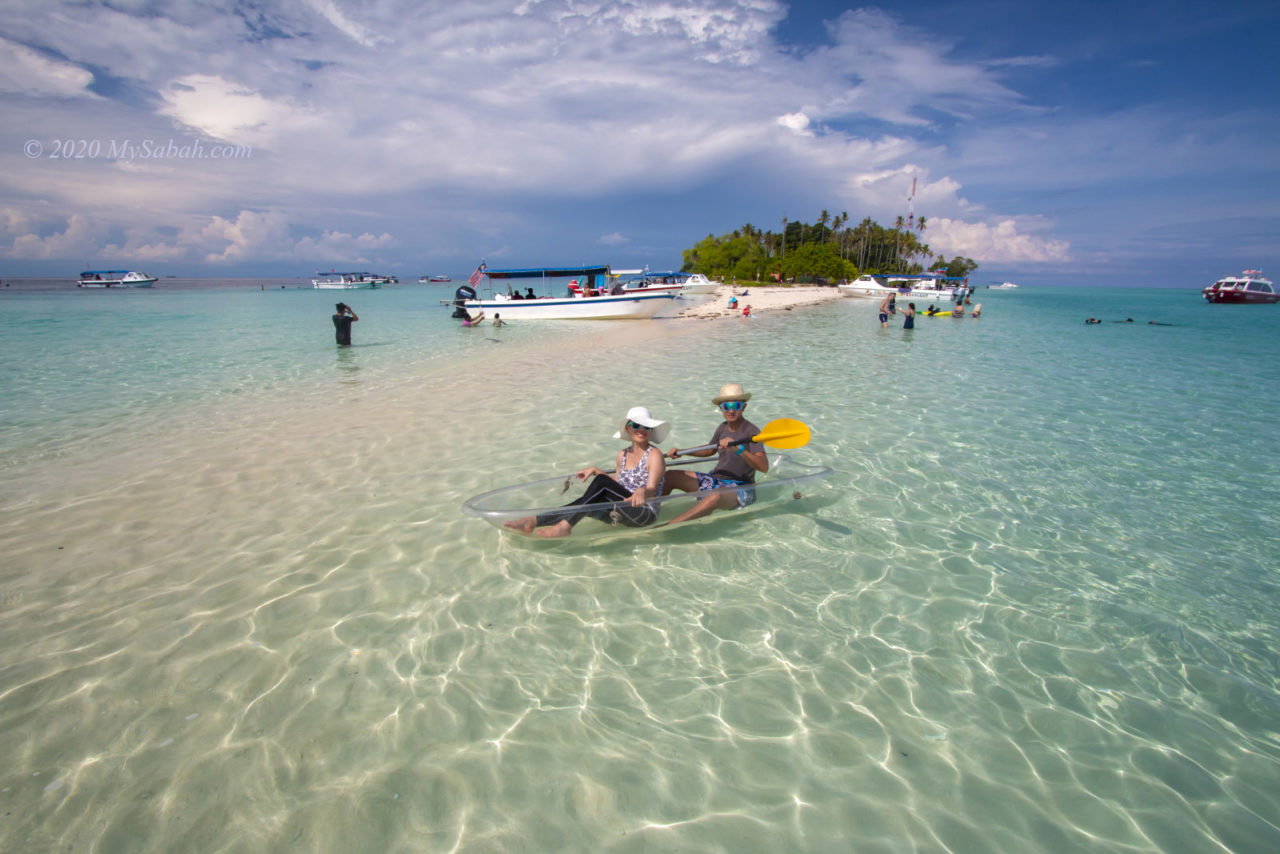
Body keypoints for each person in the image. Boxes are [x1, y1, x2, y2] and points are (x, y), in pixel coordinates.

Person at [504, 407, 669, 538]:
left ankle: (564, 526)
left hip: (643, 514)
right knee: (586, 500)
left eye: (646, 426)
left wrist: (642, 490)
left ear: (650, 430)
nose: (641, 430)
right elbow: (617, 487)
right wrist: (598, 472)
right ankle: (533, 521)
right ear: (628, 428)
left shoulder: (654, 455)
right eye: (636, 425)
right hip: (621, 509)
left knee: (599, 486)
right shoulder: (622, 455)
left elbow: (652, 489)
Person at [663, 383, 768, 524]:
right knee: (670, 476)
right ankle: (648, 512)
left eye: (735, 406)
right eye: (726, 406)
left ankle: (667, 526)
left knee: (716, 495)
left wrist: (740, 450)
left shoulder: (752, 431)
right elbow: (710, 449)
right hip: (716, 481)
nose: (730, 411)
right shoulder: (722, 427)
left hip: (741, 488)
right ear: (721, 408)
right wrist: (682, 452)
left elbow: (763, 466)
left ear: (744, 407)